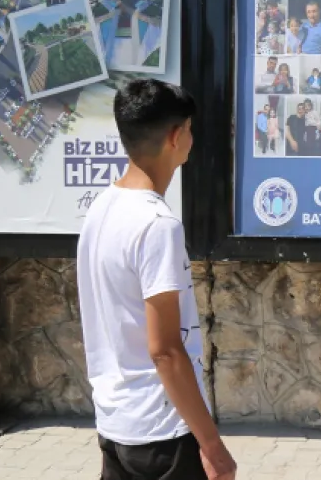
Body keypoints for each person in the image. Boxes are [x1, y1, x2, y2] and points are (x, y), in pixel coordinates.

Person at [77, 79, 237, 480]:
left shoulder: (101, 206)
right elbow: (165, 350)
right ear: (176, 135)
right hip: (162, 433)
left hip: (116, 425)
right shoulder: (157, 224)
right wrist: (213, 448)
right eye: (190, 129)